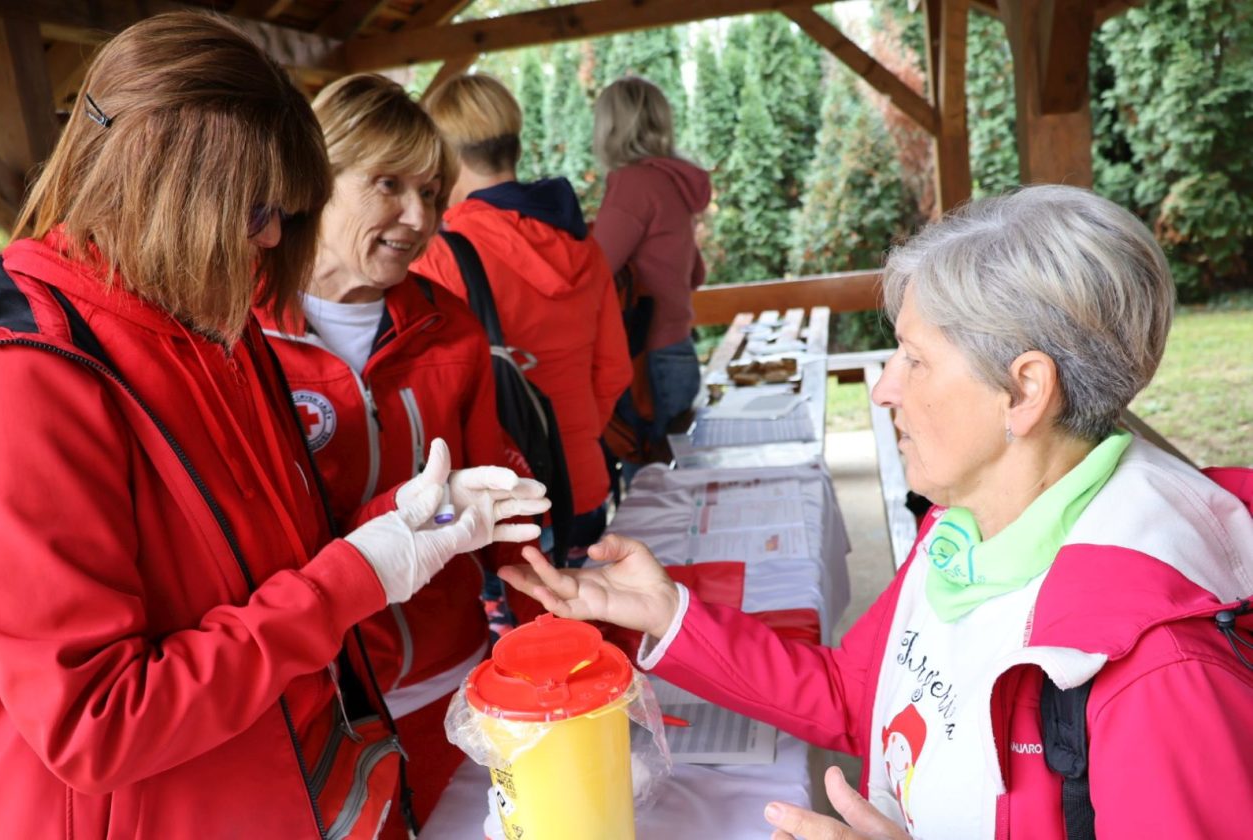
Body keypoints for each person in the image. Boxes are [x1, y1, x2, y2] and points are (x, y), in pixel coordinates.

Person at [501, 185, 1253, 839]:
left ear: (1024, 392)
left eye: (914, 358)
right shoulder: (963, 535)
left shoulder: (1162, 672)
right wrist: (668, 614)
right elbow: (861, 697)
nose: (886, 387)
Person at [0, 15, 544, 839]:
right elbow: (98, 723)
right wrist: (357, 572)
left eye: (283, 210)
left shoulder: (215, 319)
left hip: (313, 787)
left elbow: (279, 571)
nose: (271, 237)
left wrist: (395, 525)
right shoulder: (32, 372)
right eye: (255, 208)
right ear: (162, 184)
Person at [258, 73, 548, 829]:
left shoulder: (447, 326)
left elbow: (503, 513)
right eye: (387, 184)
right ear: (316, 180)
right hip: (315, 704)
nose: (419, 218)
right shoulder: (236, 333)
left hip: (450, 684)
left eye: (433, 192)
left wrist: (545, 646)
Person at [413, 72, 632, 555]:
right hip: (585, 483)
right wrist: (575, 435)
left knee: (530, 633)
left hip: (506, 499)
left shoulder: (442, 254)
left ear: (444, 156)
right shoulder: (582, 243)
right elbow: (615, 369)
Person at [592, 76, 711, 466]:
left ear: (611, 127)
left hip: (649, 359)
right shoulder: (671, 182)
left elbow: (592, 269)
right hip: (679, 350)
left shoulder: (632, 184)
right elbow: (696, 274)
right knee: (673, 484)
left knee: (649, 495)